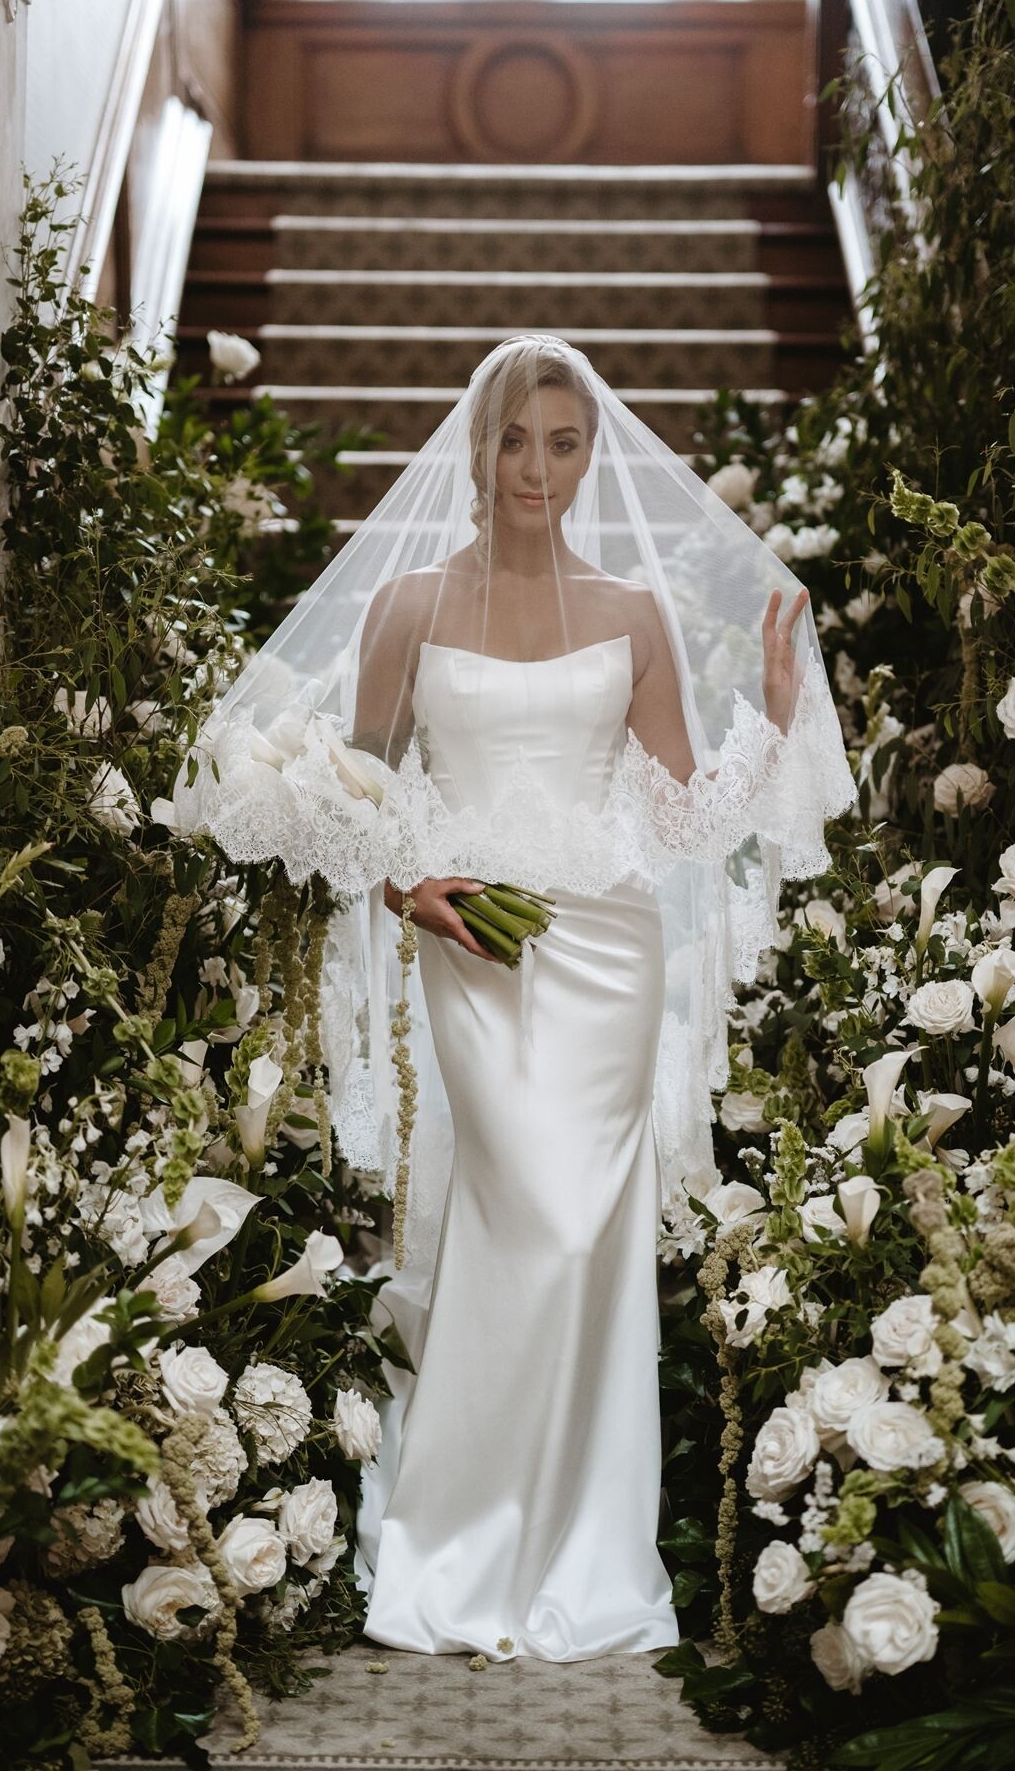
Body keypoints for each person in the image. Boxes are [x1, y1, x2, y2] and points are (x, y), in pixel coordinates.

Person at [169, 334, 854, 1663]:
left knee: (583, 1241)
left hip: (605, 942)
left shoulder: (632, 615)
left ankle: (585, 1545)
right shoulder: (411, 605)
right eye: (513, 440)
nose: (536, 468)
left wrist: (770, 719)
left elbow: (682, 812)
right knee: (519, 1218)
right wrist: (405, 886)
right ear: (473, 449)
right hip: (472, 940)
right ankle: (459, 1536)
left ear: (589, 455)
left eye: (562, 442)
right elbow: (354, 793)